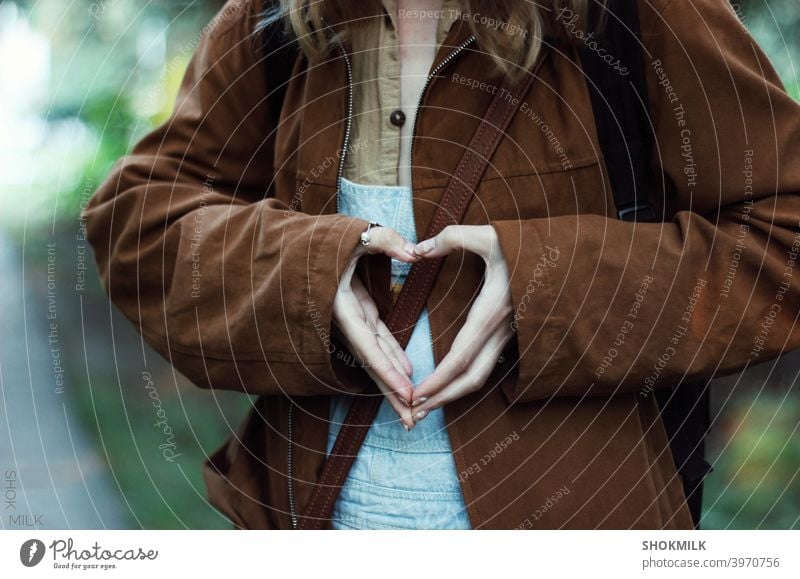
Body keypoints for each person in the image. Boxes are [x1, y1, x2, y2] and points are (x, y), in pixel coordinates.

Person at [84, 0, 800, 529]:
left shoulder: (634, 14)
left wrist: (542, 284)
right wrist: (306, 272)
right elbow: (138, 221)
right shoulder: (274, 24)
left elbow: (784, 237)